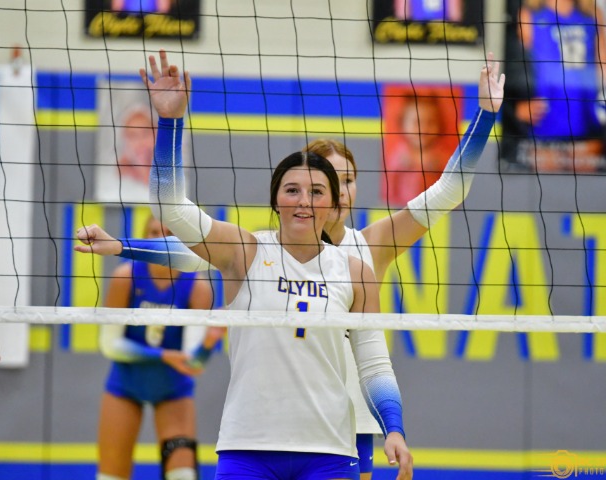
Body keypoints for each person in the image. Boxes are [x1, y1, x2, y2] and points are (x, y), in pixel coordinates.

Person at [77, 53, 504, 479]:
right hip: (264, 431)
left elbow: (447, 193)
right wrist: (125, 246)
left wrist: (485, 115)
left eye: (346, 181)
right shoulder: (254, 251)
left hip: (347, 425)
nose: (338, 192)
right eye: (319, 183)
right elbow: (190, 247)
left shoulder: (368, 249)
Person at [142, 49, 411, 480]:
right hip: (248, 447)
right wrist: (170, 122)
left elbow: (373, 363)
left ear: (334, 203)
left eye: (317, 192)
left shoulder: (354, 270)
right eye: (292, 190)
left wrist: (393, 429)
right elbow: (170, 208)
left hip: (329, 451)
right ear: (275, 200)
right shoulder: (244, 252)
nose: (304, 201)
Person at [94, 215, 216, 480]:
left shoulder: (198, 287)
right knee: (111, 476)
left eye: (170, 233)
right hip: (125, 386)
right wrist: (163, 355)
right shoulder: (125, 276)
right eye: (153, 233)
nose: (161, 240)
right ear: (143, 239)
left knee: (183, 476)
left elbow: (192, 364)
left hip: (173, 390)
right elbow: (109, 345)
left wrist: (208, 345)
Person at [513, 0, 606, 171]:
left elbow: (603, 68)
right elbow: (516, 68)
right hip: (546, 121)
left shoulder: (592, 14)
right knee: (545, 185)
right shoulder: (529, 14)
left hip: (585, 121)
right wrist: (516, 108)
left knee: (584, 185)